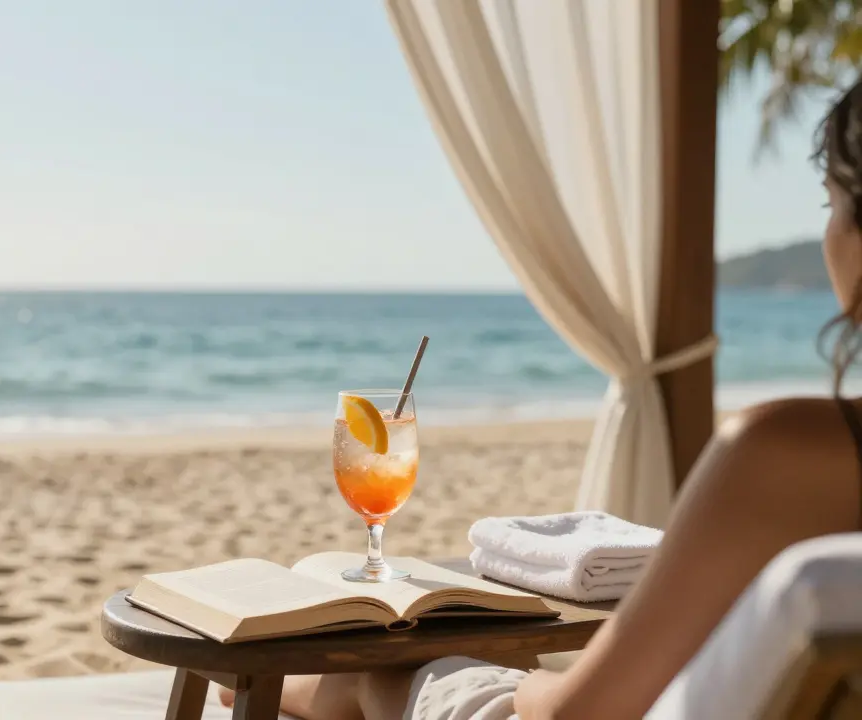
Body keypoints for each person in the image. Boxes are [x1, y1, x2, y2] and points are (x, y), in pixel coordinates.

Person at [221, 81, 862, 720]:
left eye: (830, 204)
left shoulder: (788, 452)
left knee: (395, 677)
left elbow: (573, 714)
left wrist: (513, 681)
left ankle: (285, 684)